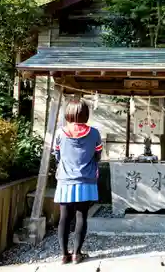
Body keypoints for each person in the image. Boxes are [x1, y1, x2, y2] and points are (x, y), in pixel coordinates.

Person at [54, 99, 102, 264]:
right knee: (82, 217)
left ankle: (63, 255)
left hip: (65, 180)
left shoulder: (60, 133)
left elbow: (57, 156)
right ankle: (76, 254)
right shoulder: (95, 133)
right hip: (86, 180)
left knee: (64, 218)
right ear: (85, 114)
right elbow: (97, 156)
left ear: (68, 113)